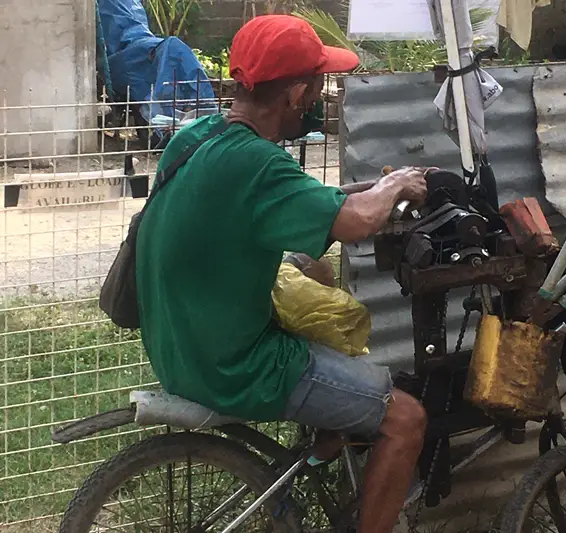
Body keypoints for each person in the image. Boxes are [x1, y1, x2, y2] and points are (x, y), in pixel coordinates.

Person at [136, 14, 430, 533]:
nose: (321, 96)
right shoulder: (258, 165)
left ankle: (325, 440)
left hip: (177, 345)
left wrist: (371, 191)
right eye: (319, 85)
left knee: (314, 271)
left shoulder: (199, 138)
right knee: (406, 419)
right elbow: (358, 223)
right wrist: (395, 185)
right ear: (296, 93)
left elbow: (318, 205)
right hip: (233, 366)